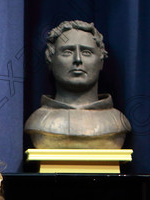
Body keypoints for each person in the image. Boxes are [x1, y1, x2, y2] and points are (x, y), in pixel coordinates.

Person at [24, 20, 130, 148]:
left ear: (101, 61)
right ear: (50, 60)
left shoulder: (118, 123)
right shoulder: (38, 122)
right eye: (67, 52)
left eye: (86, 52)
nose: (78, 60)